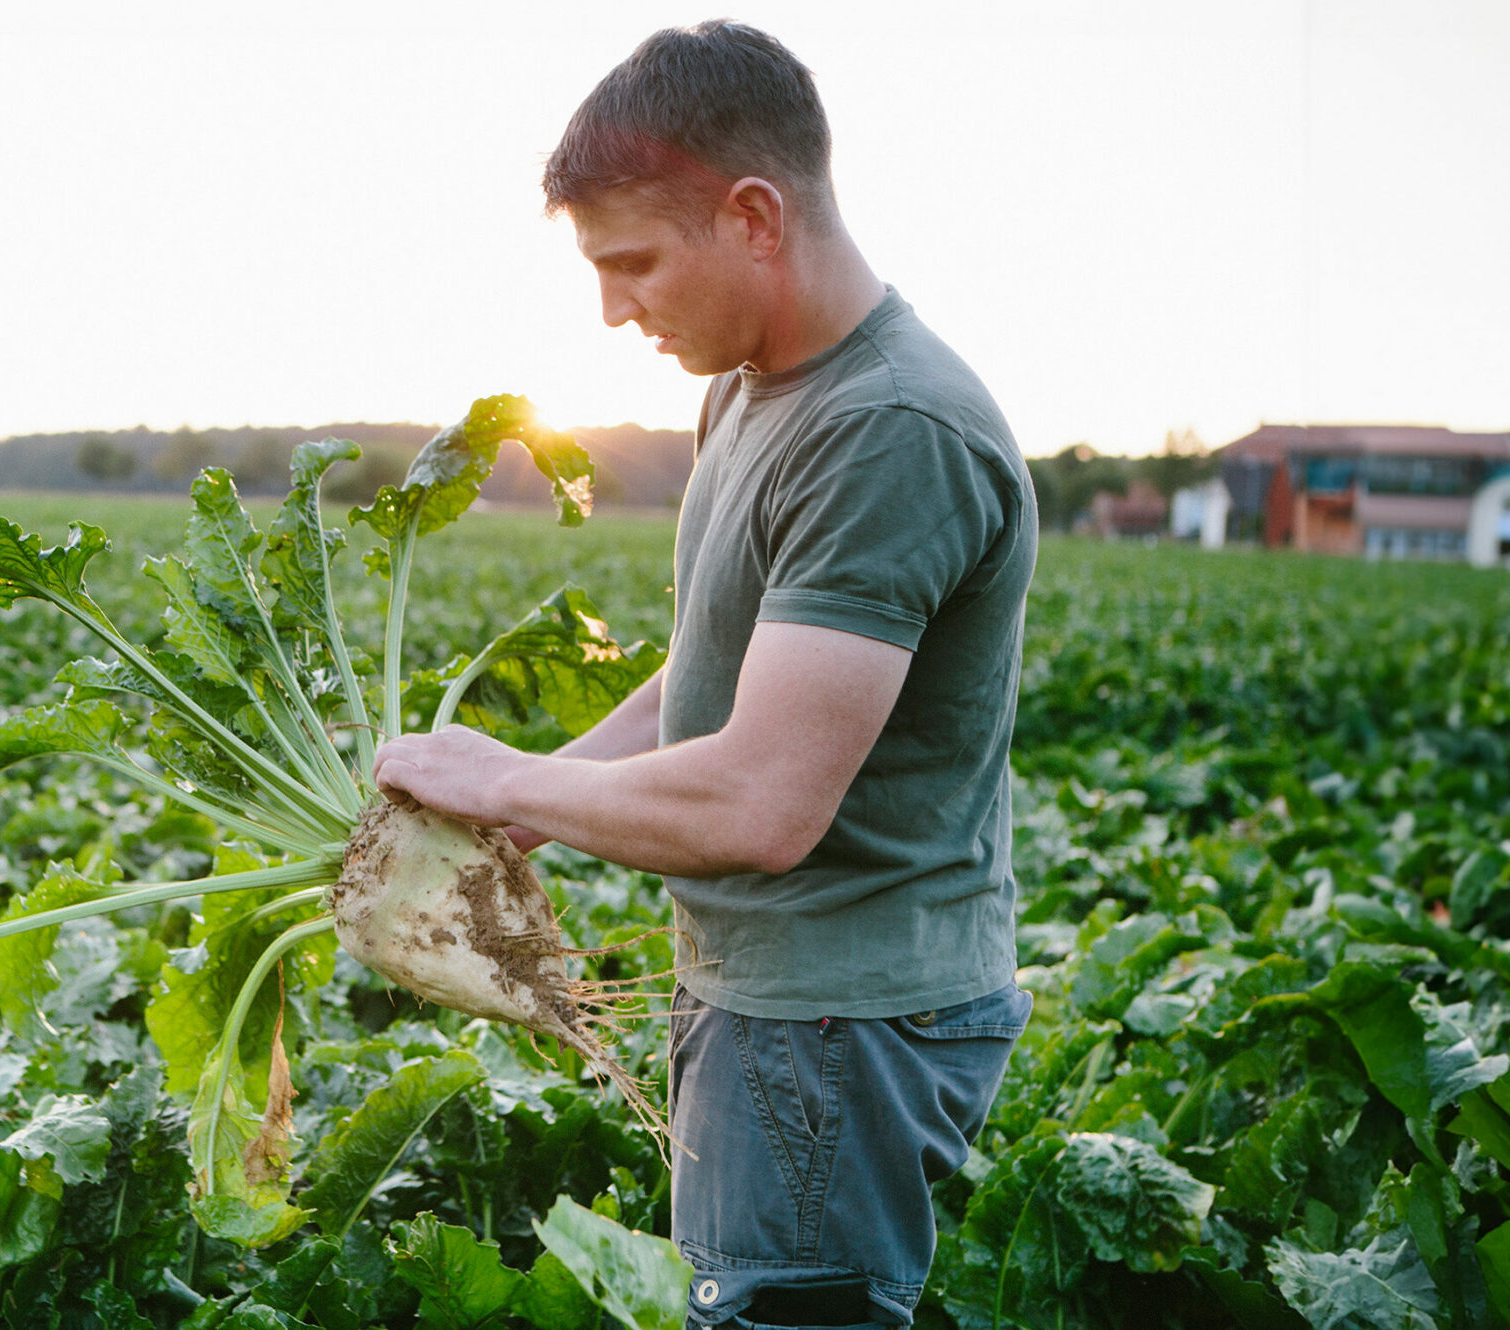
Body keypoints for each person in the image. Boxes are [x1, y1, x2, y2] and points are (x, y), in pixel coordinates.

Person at [370, 20, 1037, 1329]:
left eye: (634, 264)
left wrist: (505, 773)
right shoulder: (749, 387)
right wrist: (537, 792)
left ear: (752, 216)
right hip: (770, 1002)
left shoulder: (886, 428)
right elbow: (711, 678)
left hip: (841, 1026)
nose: (615, 309)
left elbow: (760, 804)